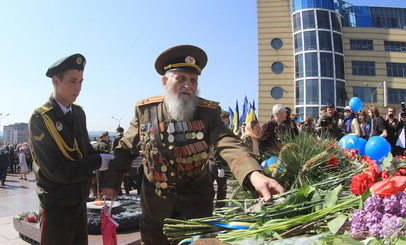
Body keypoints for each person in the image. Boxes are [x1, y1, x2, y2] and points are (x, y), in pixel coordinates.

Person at [102, 45, 284, 245]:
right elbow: (126, 148)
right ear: (165, 81)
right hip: (155, 202)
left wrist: (254, 174)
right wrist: (111, 183)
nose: (188, 85)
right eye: (181, 78)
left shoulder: (208, 112)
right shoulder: (145, 111)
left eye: (193, 80)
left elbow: (228, 142)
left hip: (196, 201)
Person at [28, 54, 113, 245]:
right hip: (56, 206)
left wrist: (110, 159)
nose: (78, 88)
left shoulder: (78, 113)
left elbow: (84, 152)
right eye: (73, 81)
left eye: (81, 82)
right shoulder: (41, 118)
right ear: (56, 81)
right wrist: (97, 162)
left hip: (79, 202)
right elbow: (56, 170)